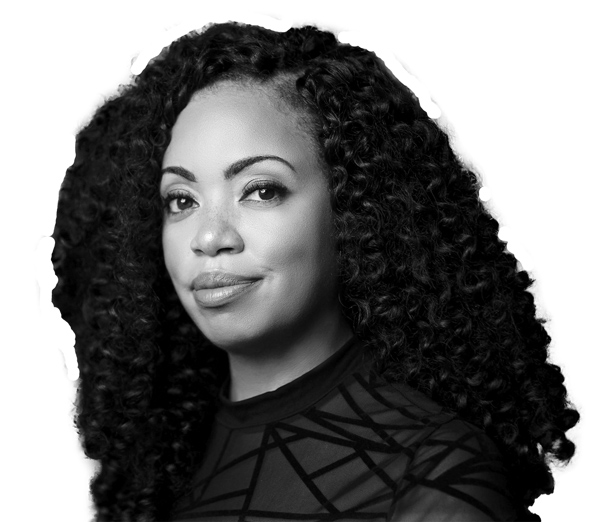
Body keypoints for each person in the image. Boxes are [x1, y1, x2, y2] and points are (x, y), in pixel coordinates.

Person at [51, 21, 579, 522]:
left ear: (354, 208)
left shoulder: (436, 475)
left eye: (261, 191)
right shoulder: (156, 461)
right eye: (181, 200)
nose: (209, 238)